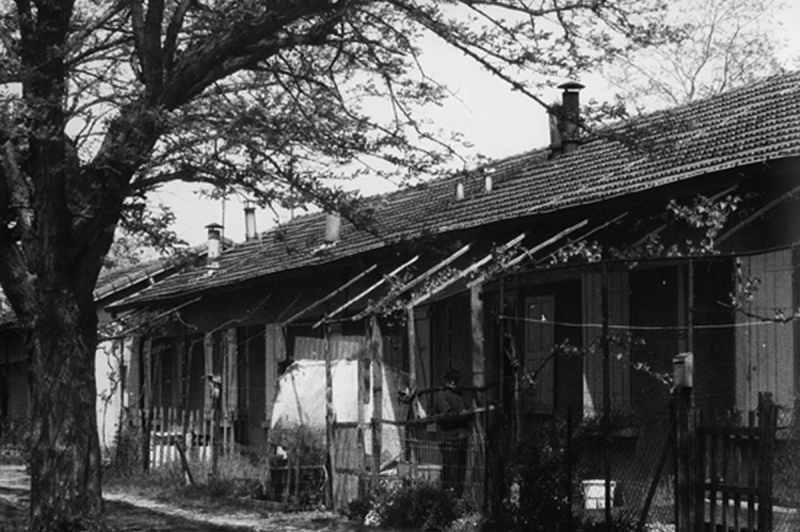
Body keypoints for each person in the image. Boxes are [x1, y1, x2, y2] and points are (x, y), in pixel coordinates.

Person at [434, 369, 470, 497]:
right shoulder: (442, 395)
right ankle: (448, 496)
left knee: (460, 468)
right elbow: (447, 416)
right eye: (455, 381)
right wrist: (463, 416)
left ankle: (457, 495)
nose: (456, 384)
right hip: (448, 437)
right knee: (450, 467)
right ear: (450, 382)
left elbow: (468, 411)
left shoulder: (460, 396)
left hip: (461, 436)